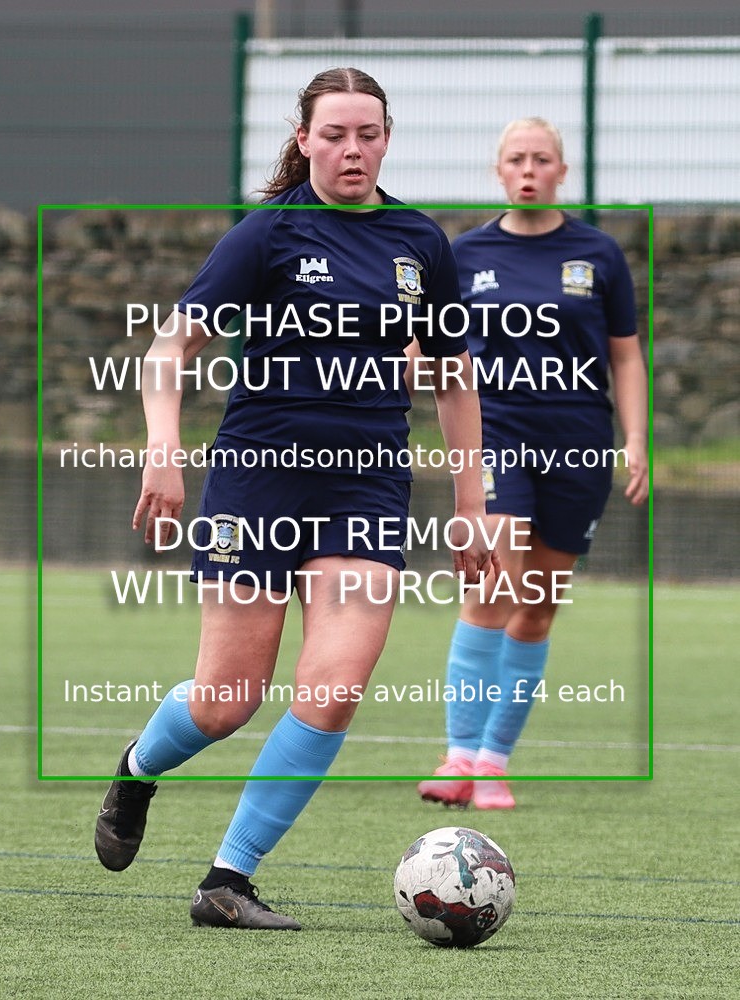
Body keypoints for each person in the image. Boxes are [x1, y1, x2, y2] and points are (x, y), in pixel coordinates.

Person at [94, 67, 496, 930]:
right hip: (257, 481)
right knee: (228, 700)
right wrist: (162, 452)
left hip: (367, 487)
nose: (353, 150)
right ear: (304, 139)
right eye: (335, 135)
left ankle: (227, 880)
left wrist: (474, 502)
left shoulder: (420, 243)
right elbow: (168, 353)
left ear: (387, 138)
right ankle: (136, 766)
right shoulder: (265, 235)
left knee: (333, 690)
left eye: (369, 134)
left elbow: (454, 379)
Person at [416, 117, 648, 811]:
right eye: (515, 158)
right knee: (494, 582)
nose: (527, 169)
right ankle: (458, 757)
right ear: (497, 171)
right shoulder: (465, 253)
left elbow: (625, 354)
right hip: (497, 434)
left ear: (560, 172)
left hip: (577, 439)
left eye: (539, 159)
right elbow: (432, 346)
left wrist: (634, 438)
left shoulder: (598, 254)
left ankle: (493, 760)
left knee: (538, 607)